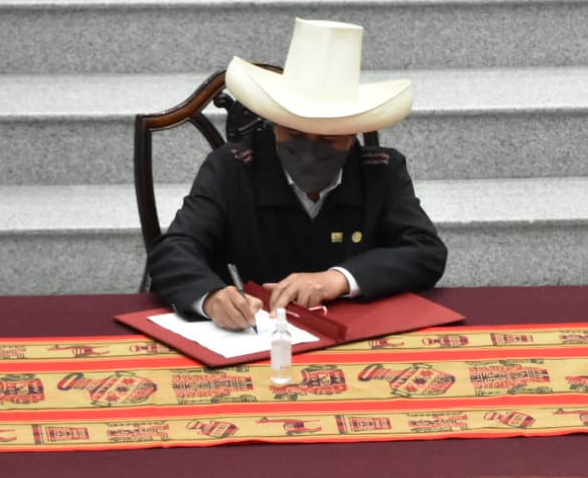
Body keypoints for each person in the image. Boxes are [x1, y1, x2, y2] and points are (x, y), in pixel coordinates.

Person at [149, 19, 446, 330]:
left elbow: (425, 250)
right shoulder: (232, 167)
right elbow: (173, 249)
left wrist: (338, 279)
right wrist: (210, 297)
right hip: (252, 337)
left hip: (350, 337)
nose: (309, 150)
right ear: (275, 124)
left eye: (328, 139)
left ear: (354, 134)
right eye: (294, 134)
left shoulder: (381, 172)